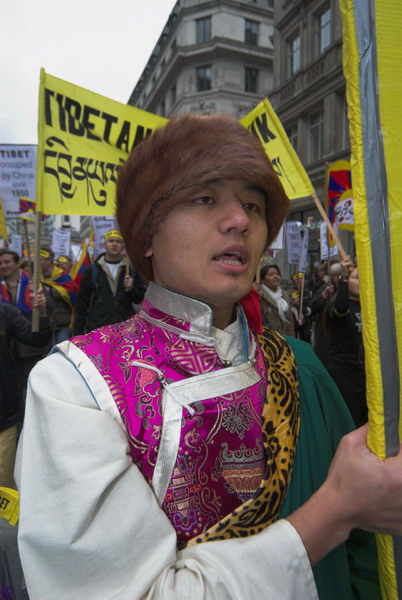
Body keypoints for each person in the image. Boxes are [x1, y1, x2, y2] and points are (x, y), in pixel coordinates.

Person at [16, 114, 402, 600]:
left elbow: (363, 564)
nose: (240, 219)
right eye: (204, 198)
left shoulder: (300, 366)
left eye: (253, 205)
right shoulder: (76, 385)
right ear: (147, 234)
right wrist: (334, 511)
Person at [0, 289, 50, 489]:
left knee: (2, 488)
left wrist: (42, 312)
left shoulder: (5, 313)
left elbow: (37, 339)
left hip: (4, 414)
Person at [0, 249, 52, 410]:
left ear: (17, 264)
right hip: (7, 348)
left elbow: (49, 306)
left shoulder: (32, 283)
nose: (3, 265)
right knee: (11, 386)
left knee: (32, 386)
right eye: (0, 263)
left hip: (28, 344)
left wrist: (42, 299)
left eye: (7, 262)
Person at [73, 229, 145, 335]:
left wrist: (131, 289)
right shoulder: (92, 270)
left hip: (124, 328)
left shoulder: (131, 270)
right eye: (111, 241)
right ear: (104, 245)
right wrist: (78, 333)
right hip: (98, 328)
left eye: (118, 241)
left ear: (123, 247)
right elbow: (82, 304)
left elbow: (140, 298)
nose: (114, 244)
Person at [325, 256, 367, 427]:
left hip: (365, 373)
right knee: (351, 420)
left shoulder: (370, 309)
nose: (361, 282)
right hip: (344, 373)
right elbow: (341, 308)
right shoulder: (339, 307)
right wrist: (342, 275)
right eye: (356, 278)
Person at [40, 247, 77, 344]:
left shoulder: (63, 276)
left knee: (62, 352)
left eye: (40, 259)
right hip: (45, 323)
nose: (37, 262)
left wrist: (50, 290)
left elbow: (70, 294)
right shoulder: (37, 276)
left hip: (62, 322)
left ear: (49, 260)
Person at [310, 262, 341, 367]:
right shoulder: (326, 287)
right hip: (325, 334)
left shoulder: (347, 289)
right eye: (335, 275)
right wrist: (324, 295)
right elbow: (313, 307)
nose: (338, 278)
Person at [258, 264, 295, 336]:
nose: (275, 276)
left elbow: (290, 324)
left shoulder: (284, 297)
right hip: (267, 340)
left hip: (284, 340)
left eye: (277, 274)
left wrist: (292, 341)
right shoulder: (259, 296)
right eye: (271, 275)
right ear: (262, 279)